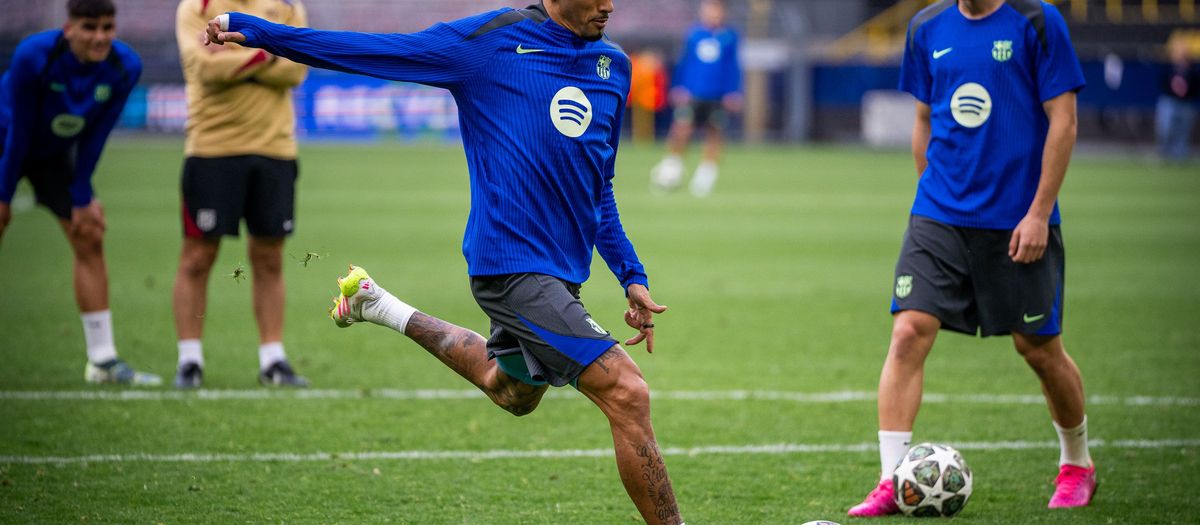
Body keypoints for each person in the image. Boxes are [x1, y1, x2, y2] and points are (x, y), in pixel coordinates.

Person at [204, 1, 684, 522]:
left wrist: (631, 275)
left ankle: (377, 305)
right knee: (626, 391)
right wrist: (259, 31)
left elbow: (599, 187)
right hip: (511, 267)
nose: (609, 5)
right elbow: (370, 50)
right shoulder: (488, 44)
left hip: (561, 275)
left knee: (512, 391)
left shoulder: (614, 67)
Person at [847, 0, 1096, 516]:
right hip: (939, 216)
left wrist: (1039, 213)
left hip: (1018, 219)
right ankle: (892, 480)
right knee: (908, 331)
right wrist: (931, 199)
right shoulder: (926, 26)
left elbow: (1064, 121)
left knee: (1038, 349)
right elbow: (923, 119)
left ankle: (1077, 464)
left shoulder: (1037, 22)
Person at [0, 0, 159, 386]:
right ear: (69, 28)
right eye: (90, 27)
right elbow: (19, 132)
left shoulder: (125, 66)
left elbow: (96, 137)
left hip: (55, 154)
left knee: (90, 231)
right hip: (7, 141)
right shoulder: (34, 55)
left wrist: (82, 194)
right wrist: (4, 196)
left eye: (107, 27)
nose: (100, 37)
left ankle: (102, 361)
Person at [173, 0, 310, 388]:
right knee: (198, 256)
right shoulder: (196, 6)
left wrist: (234, 53)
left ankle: (273, 359)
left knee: (269, 257)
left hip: (275, 149)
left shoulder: (287, 5)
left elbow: (297, 69)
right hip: (211, 148)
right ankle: (189, 360)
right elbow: (204, 69)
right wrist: (270, 51)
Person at [649, 0, 742, 197]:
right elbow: (685, 63)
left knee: (714, 134)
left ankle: (705, 177)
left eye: (716, 10)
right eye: (708, 9)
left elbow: (733, 66)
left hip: (717, 96)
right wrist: (679, 86)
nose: (712, 13)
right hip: (693, 93)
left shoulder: (730, 37)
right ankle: (672, 168)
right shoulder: (694, 35)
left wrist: (733, 91)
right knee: (681, 130)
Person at [1156, 36, 1199, 162]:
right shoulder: (1168, 67)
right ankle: (1165, 153)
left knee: (1183, 130)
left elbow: (1196, 86)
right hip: (1170, 101)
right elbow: (1162, 83)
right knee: (1166, 128)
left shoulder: (1192, 69)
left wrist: (1186, 92)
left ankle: (1180, 156)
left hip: (1186, 103)